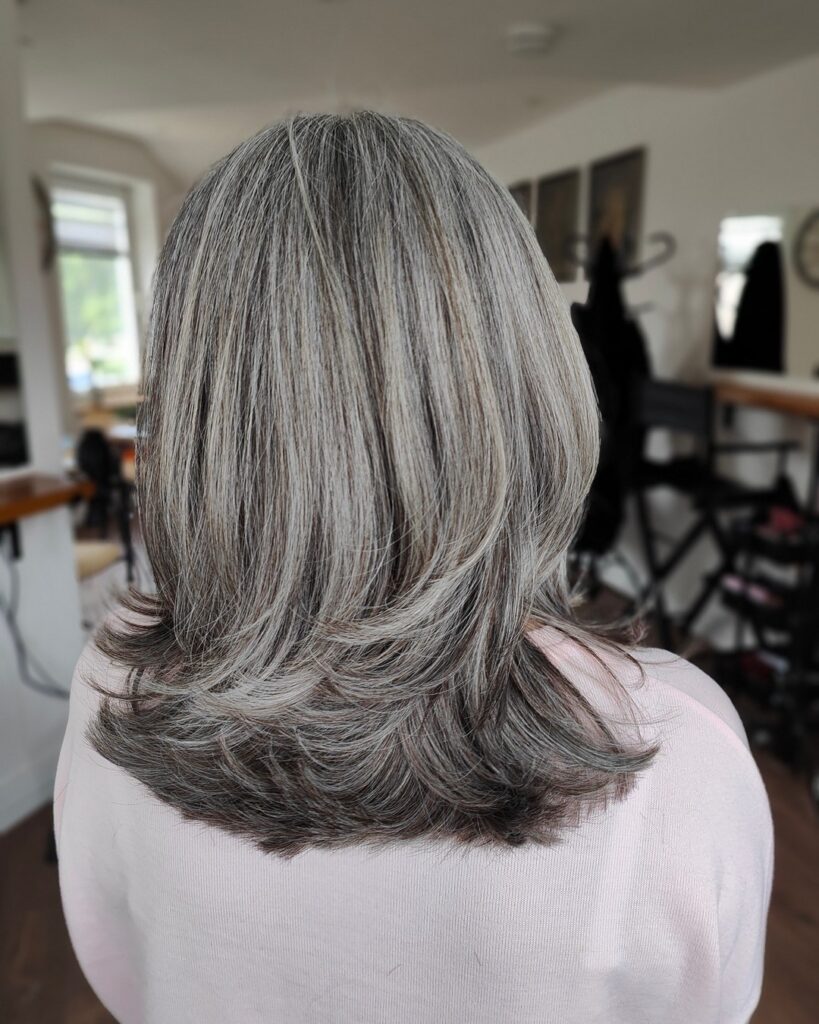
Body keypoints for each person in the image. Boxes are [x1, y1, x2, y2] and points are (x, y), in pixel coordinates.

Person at [54, 113, 773, 1024]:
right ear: (528, 378)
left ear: (199, 408)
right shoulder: (668, 752)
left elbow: (123, 974)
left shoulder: (110, 682)